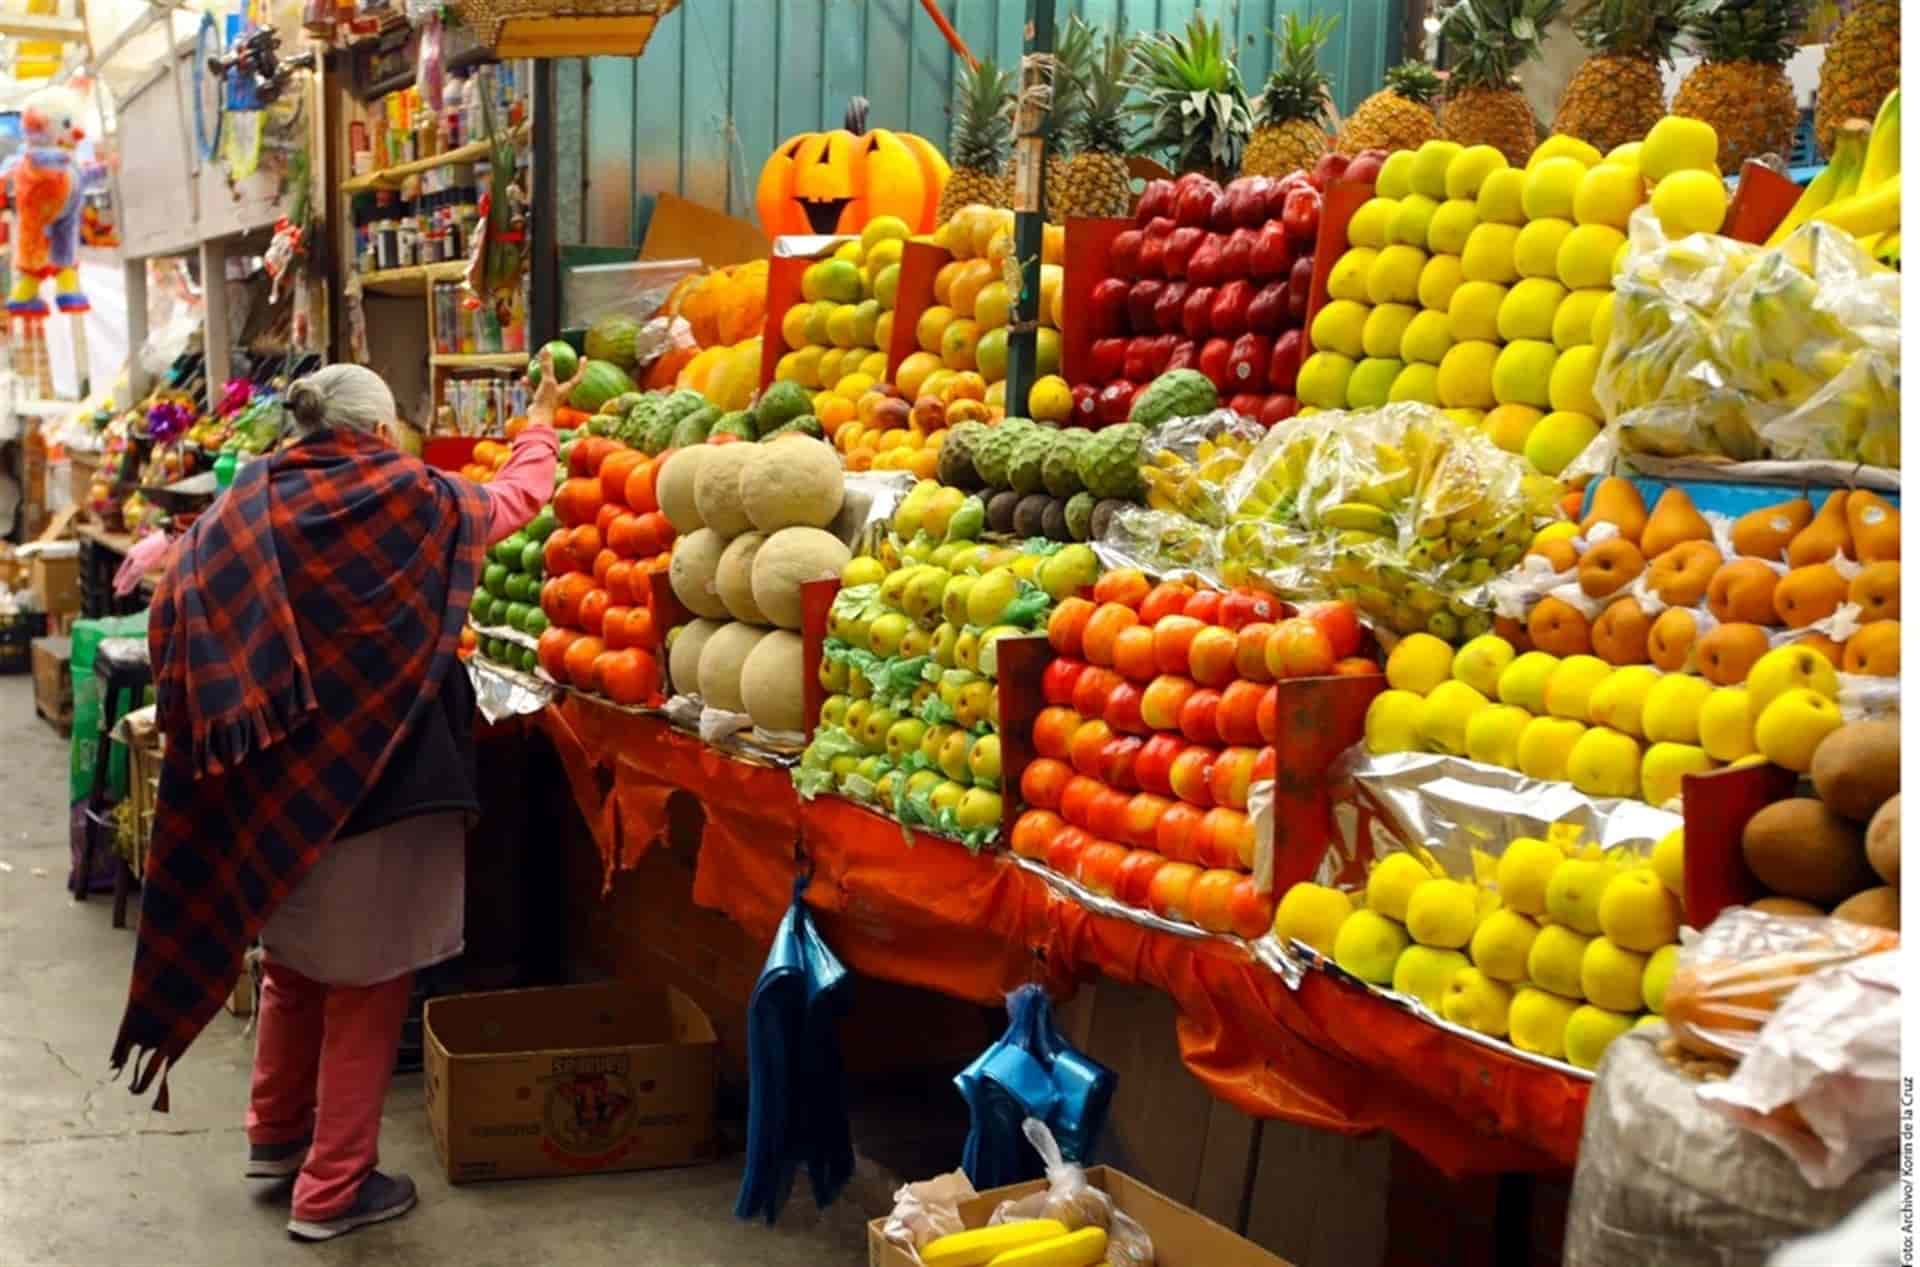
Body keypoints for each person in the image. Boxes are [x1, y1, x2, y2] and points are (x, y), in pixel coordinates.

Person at [111, 352, 577, 1242]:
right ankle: (332, 1188)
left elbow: (185, 591)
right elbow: (514, 502)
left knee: (293, 962)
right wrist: (540, 424)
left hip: (279, 782)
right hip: (384, 774)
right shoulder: (415, 495)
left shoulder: (251, 496)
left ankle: (275, 1136)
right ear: (372, 427)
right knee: (370, 982)